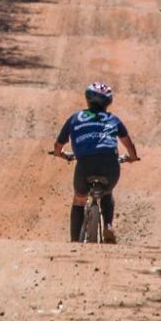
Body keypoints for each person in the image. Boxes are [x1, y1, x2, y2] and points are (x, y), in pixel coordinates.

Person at [52, 81, 139, 243]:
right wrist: (132, 158)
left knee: (79, 199)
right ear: (108, 102)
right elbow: (129, 144)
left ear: (87, 99)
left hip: (85, 165)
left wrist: (60, 154)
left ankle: (74, 241)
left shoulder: (75, 117)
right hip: (110, 165)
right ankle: (108, 225)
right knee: (107, 193)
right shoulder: (113, 119)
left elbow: (58, 145)